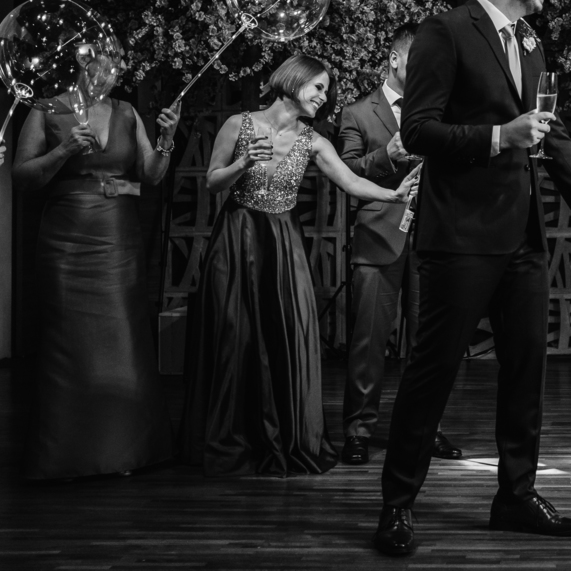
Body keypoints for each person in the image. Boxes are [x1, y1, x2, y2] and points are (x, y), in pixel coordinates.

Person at [374, 0, 571, 557]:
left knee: (526, 373)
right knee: (432, 373)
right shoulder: (445, 31)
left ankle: (515, 496)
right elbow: (418, 131)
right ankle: (397, 505)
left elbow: (551, 132)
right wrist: (496, 137)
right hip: (459, 233)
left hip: (523, 238)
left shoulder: (531, 42)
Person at [180, 55, 420, 477]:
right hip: (237, 238)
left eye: (327, 91)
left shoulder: (313, 141)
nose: (324, 98)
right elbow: (213, 181)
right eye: (318, 88)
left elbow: (351, 181)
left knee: (285, 334)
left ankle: (285, 434)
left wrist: (393, 195)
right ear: (293, 81)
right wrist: (242, 163)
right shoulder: (238, 125)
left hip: (283, 245)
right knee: (234, 334)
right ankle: (233, 434)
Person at [14, 89, 179, 479]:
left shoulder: (126, 111)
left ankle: (126, 451)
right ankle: (65, 455)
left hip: (118, 234)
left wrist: (166, 140)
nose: (112, 65)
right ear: (81, 61)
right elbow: (22, 177)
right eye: (104, 58)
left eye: (117, 60)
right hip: (66, 236)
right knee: (68, 340)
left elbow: (151, 174)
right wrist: (64, 150)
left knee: (122, 335)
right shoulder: (46, 109)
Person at [338, 25, 460, 465]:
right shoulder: (357, 113)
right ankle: (358, 430)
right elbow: (346, 172)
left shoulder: (440, 110)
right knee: (368, 342)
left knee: (430, 345)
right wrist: (387, 155)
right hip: (378, 237)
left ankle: (426, 429)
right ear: (394, 59)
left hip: (434, 239)